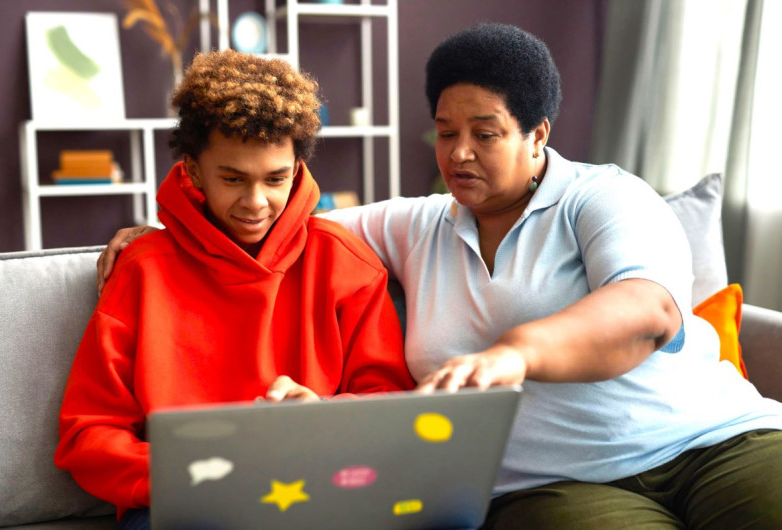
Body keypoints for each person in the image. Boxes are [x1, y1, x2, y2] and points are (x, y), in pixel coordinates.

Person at [97, 24, 782, 529]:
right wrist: (163, 228)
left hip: (716, 439)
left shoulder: (602, 197)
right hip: (552, 487)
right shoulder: (412, 224)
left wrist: (515, 354)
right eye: (444, 130)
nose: (458, 153)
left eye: (485, 133)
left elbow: (646, 312)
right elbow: (278, 219)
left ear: (536, 135)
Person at [55, 49, 415, 529]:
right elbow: (89, 433)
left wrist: (326, 416)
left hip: (315, 494)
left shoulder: (343, 262)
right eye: (232, 178)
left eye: (275, 179)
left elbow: (392, 403)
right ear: (194, 169)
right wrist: (187, 476)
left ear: (298, 170)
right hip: (181, 504)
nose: (255, 202)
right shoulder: (141, 270)